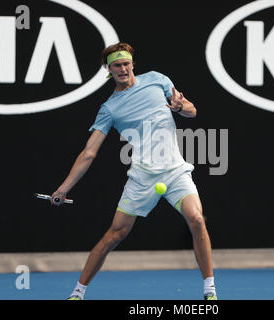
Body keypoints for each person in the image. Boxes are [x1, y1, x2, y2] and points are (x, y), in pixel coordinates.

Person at [51, 42, 217, 300]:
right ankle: (77, 292)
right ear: (109, 70)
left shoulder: (157, 80)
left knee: (196, 219)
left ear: (132, 64)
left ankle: (210, 290)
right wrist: (63, 188)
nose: (123, 69)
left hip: (174, 171)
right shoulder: (109, 109)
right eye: (117, 65)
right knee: (115, 235)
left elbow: (191, 111)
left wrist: (179, 107)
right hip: (142, 177)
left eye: (126, 63)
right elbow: (89, 152)